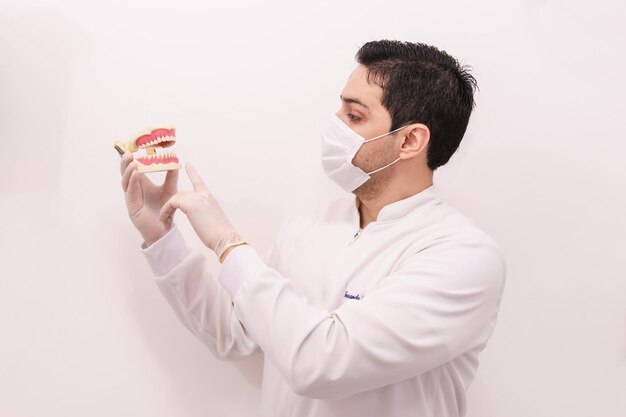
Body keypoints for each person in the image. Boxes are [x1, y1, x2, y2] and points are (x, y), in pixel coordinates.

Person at [118, 39, 506, 417]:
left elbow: (322, 362)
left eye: (354, 117)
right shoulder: (311, 222)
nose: (334, 126)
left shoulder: (463, 258)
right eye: (339, 110)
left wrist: (227, 243)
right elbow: (237, 332)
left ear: (410, 140)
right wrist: (161, 235)